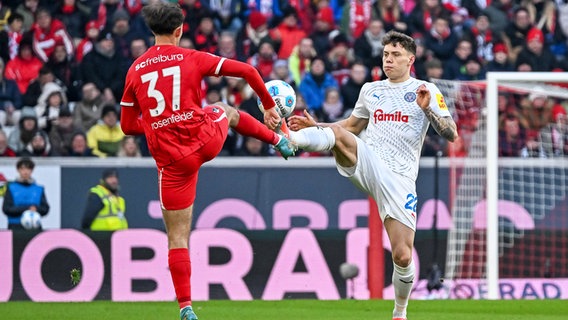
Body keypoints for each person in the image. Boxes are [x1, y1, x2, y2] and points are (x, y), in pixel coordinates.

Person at [118, 3, 295, 320]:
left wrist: (157, 122)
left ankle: (186, 307)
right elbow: (249, 72)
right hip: (204, 139)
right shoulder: (191, 57)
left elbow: (127, 125)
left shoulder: (135, 70)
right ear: (179, 30)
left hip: (172, 163)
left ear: (152, 31)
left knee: (177, 238)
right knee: (225, 109)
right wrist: (268, 107)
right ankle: (278, 140)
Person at [287, 30, 458, 320]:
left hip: (401, 178)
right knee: (338, 135)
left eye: (396, 55)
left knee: (403, 255)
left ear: (411, 59)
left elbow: (450, 134)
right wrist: (315, 127)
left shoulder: (425, 90)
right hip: (370, 160)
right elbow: (351, 127)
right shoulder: (370, 90)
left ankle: (400, 313)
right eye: (386, 55)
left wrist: (428, 109)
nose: (389, 60)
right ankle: (289, 139)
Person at [2, 157, 49, 230]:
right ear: (18, 170)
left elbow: (45, 209)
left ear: (32, 170)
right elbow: (6, 209)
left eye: (28, 169)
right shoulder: (11, 188)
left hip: (35, 226)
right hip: (15, 226)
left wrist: (36, 209)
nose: (25, 172)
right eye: (22, 169)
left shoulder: (38, 189)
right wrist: (27, 209)